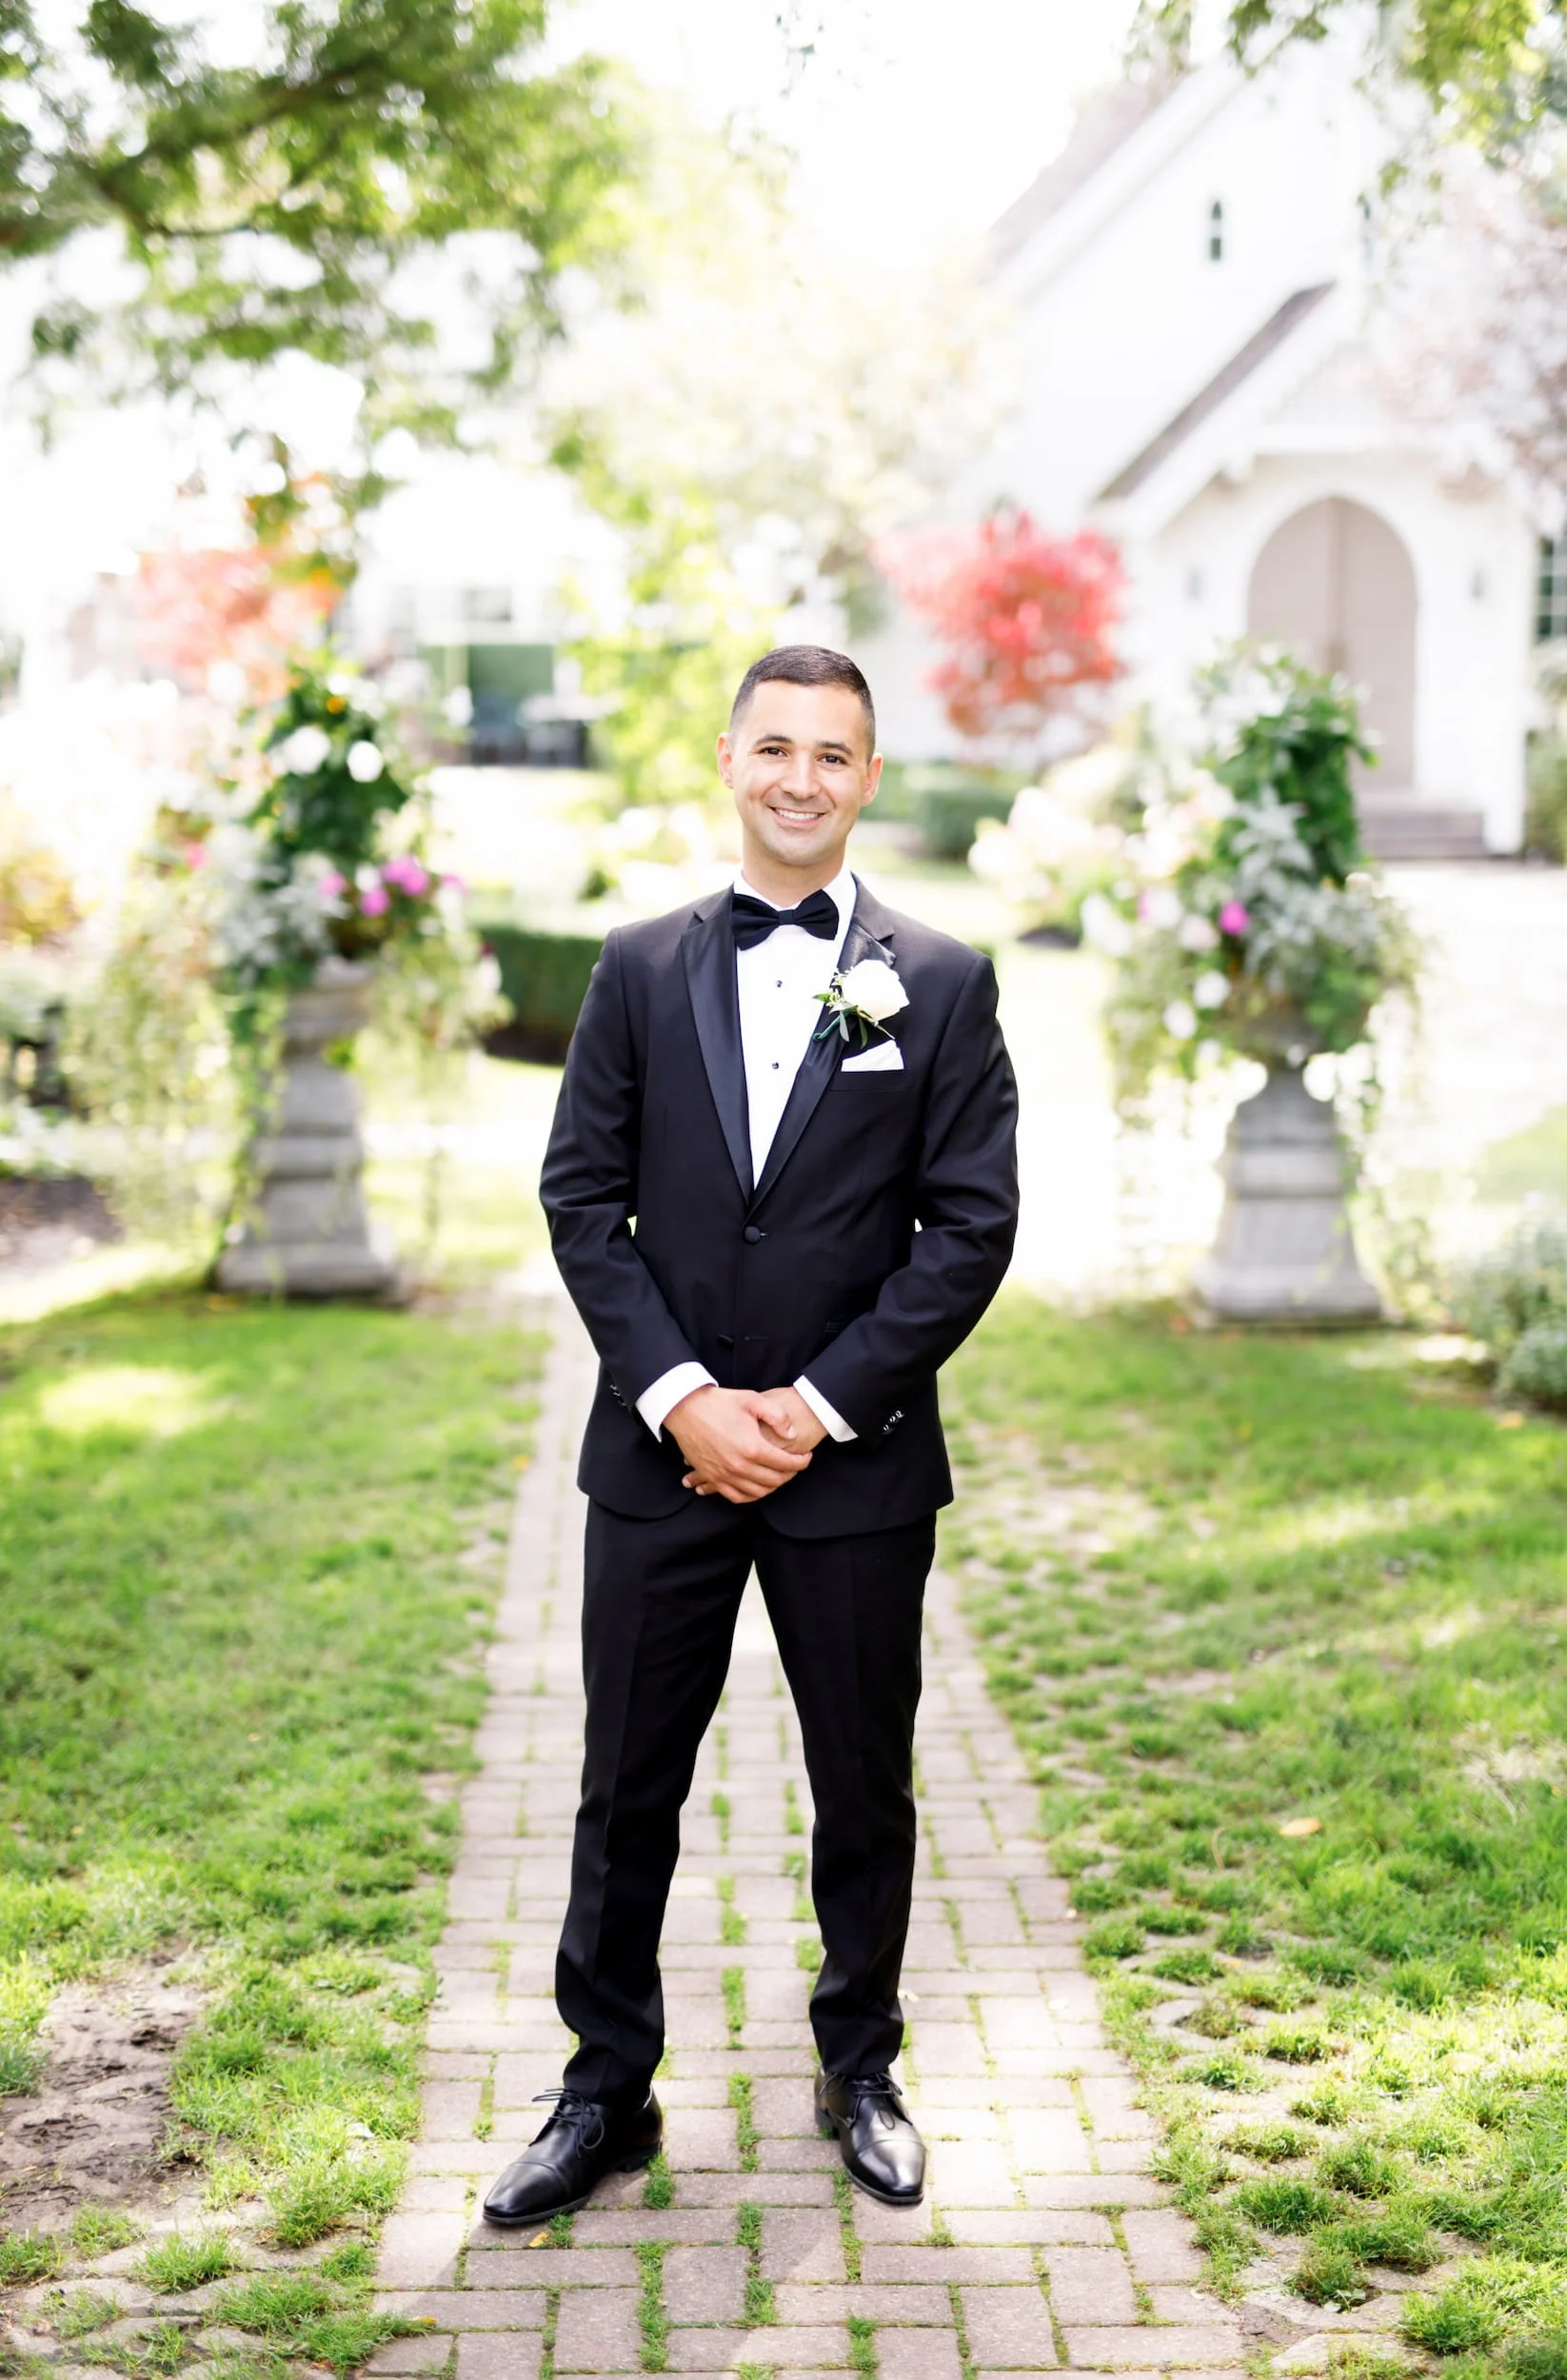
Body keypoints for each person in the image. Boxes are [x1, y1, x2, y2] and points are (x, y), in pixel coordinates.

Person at [484, 645, 1019, 2226]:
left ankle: (860, 2066)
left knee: (863, 1783)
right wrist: (682, 1400)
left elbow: (967, 1227)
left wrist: (819, 1403)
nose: (799, 776)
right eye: (771, 746)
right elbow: (584, 1197)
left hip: (854, 1464)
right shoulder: (638, 965)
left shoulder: (945, 977)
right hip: (659, 1457)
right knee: (622, 1782)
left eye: (831, 754)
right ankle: (601, 2091)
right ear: (727, 761)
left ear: (868, 778)